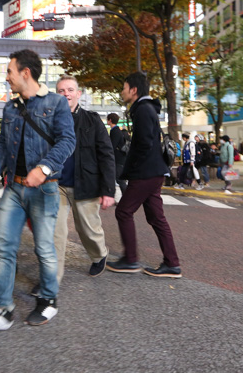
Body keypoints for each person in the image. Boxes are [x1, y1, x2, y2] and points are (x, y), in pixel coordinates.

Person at [0, 49, 75, 335]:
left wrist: (43, 168)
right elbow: (3, 146)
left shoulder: (55, 103)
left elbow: (67, 141)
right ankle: (2, 309)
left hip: (45, 189)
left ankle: (49, 299)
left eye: (9, 72)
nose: (7, 78)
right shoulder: (10, 107)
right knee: (5, 247)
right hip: (13, 188)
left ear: (25, 73)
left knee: (44, 248)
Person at [107, 72, 181, 278]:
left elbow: (144, 144)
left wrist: (131, 166)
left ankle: (131, 260)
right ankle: (172, 264)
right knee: (157, 218)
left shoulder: (142, 110)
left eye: (124, 87)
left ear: (133, 90)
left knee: (123, 211)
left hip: (146, 173)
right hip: (153, 171)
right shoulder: (146, 109)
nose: (122, 91)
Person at [53, 75, 114, 283]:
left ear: (78, 94)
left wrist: (108, 190)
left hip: (86, 184)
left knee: (88, 229)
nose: (66, 94)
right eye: (61, 91)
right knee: (55, 232)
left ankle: (99, 255)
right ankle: (52, 277)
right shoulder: (49, 120)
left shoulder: (92, 119)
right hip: (56, 185)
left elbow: (106, 154)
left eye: (70, 90)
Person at [107, 113, 128, 194]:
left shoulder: (115, 131)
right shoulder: (116, 130)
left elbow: (112, 146)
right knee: (117, 178)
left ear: (110, 120)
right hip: (119, 158)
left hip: (118, 159)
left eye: (107, 119)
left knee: (120, 179)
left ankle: (126, 199)